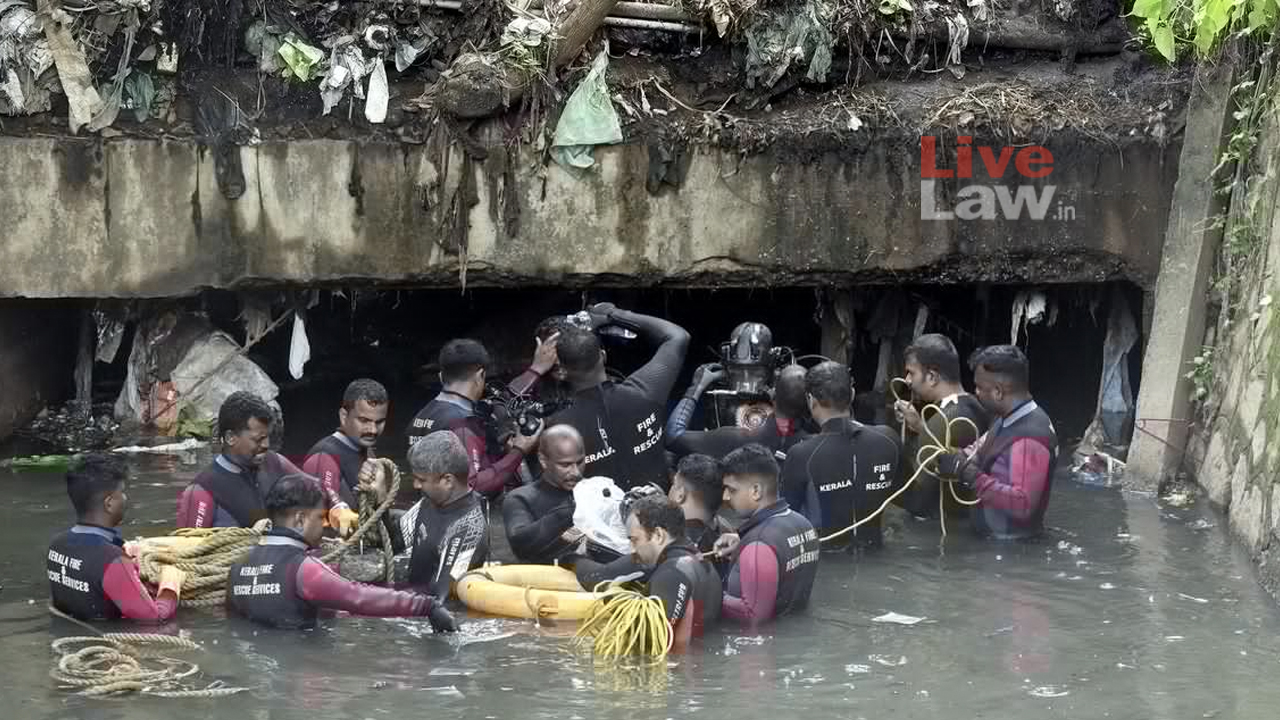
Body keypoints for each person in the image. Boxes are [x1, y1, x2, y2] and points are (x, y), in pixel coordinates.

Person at [227, 474, 458, 631]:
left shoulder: (237, 566)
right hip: (304, 673)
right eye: (321, 517)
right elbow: (358, 596)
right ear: (299, 520)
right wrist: (426, 606)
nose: (325, 525)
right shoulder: (303, 570)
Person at [549, 303, 689, 490]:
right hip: (659, 506)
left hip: (601, 516)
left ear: (561, 372)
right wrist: (613, 314)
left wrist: (535, 370)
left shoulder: (559, 427)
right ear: (604, 356)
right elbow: (678, 336)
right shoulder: (646, 391)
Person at [935, 345, 1058, 540]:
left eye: (979, 387)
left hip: (1009, 551)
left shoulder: (1029, 438)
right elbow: (981, 450)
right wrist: (958, 458)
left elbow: (1023, 504)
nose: (975, 392)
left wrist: (969, 475)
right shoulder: (1008, 418)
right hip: (992, 540)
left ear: (998, 392)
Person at [406, 337, 555, 498]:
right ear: (481, 375)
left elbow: (502, 401)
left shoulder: (421, 416)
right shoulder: (463, 424)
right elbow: (472, 487)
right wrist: (519, 450)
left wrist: (536, 369)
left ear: (441, 376)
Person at [48, 454, 186, 622]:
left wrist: (123, 549)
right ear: (110, 503)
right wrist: (170, 583)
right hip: (111, 642)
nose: (125, 498)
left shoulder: (57, 544)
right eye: (122, 492)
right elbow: (154, 618)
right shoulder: (112, 560)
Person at [780, 362, 902, 549]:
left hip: (827, 564)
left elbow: (783, 523)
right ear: (852, 395)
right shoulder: (888, 439)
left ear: (811, 400)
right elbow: (918, 503)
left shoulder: (801, 454)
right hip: (878, 556)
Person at [575, 453, 728, 589]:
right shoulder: (726, 533)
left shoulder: (668, 545)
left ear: (680, 494)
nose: (672, 490)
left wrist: (575, 557)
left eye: (674, 485)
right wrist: (661, 504)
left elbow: (597, 577)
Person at [713, 444, 818, 626]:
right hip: (794, 634)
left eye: (732, 490)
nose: (725, 497)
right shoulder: (803, 524)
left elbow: (752, 614)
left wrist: (708, 592)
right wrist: (742, 541)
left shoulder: (759, 545)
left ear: (756, 491)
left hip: (758, 649)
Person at [892, 334, 991, 520]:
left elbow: (919, 505)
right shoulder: (976, 406)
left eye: (911, 373)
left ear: (932, 376)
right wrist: (921, 427)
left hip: (948, 529)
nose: (907, 380)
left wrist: (888, 461)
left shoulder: (940, 422)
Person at [302, 379, 403, 551]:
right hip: (338, 553)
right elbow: (325, 520)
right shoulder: (323, 457)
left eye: (379, 422)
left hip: (370, 542)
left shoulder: (366, 448)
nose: (372, 430)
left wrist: (381, 498)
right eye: (364, 420)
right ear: (343, 416)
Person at [178, 392, 302, 528]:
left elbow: (316, 490)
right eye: (258, 439)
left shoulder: (275, 463)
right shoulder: (201, 492)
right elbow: (190, 547)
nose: (267, 445)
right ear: (231, 437)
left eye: (268, 437)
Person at [626, 495, 723, 648]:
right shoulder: (706, 566)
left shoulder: (672, 573)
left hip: (678, 669)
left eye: (634, 540)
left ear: (658, 535)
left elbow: (652, 643)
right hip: (703, 664)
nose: (632, 549)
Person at [404, 432, 489, 598]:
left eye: (421, 480)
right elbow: (391, 540)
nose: (415, 485)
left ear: (448, 481)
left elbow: (440, 599)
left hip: (442, 615)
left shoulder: (469, 528)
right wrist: (377, 499)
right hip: (415, 596)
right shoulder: (428, 503)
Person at [666, 363, 810, 459]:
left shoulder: (735, 439)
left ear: (773, 394)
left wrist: (696, 387)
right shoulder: (813, 443)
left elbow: (673, 436)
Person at [502, 424, 587, 564]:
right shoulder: (519, 499)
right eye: (565, 465)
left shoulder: (593, 491)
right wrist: (568, 511)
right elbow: (521, 545)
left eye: (580, 462)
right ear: (543, 460)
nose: (576, 472)